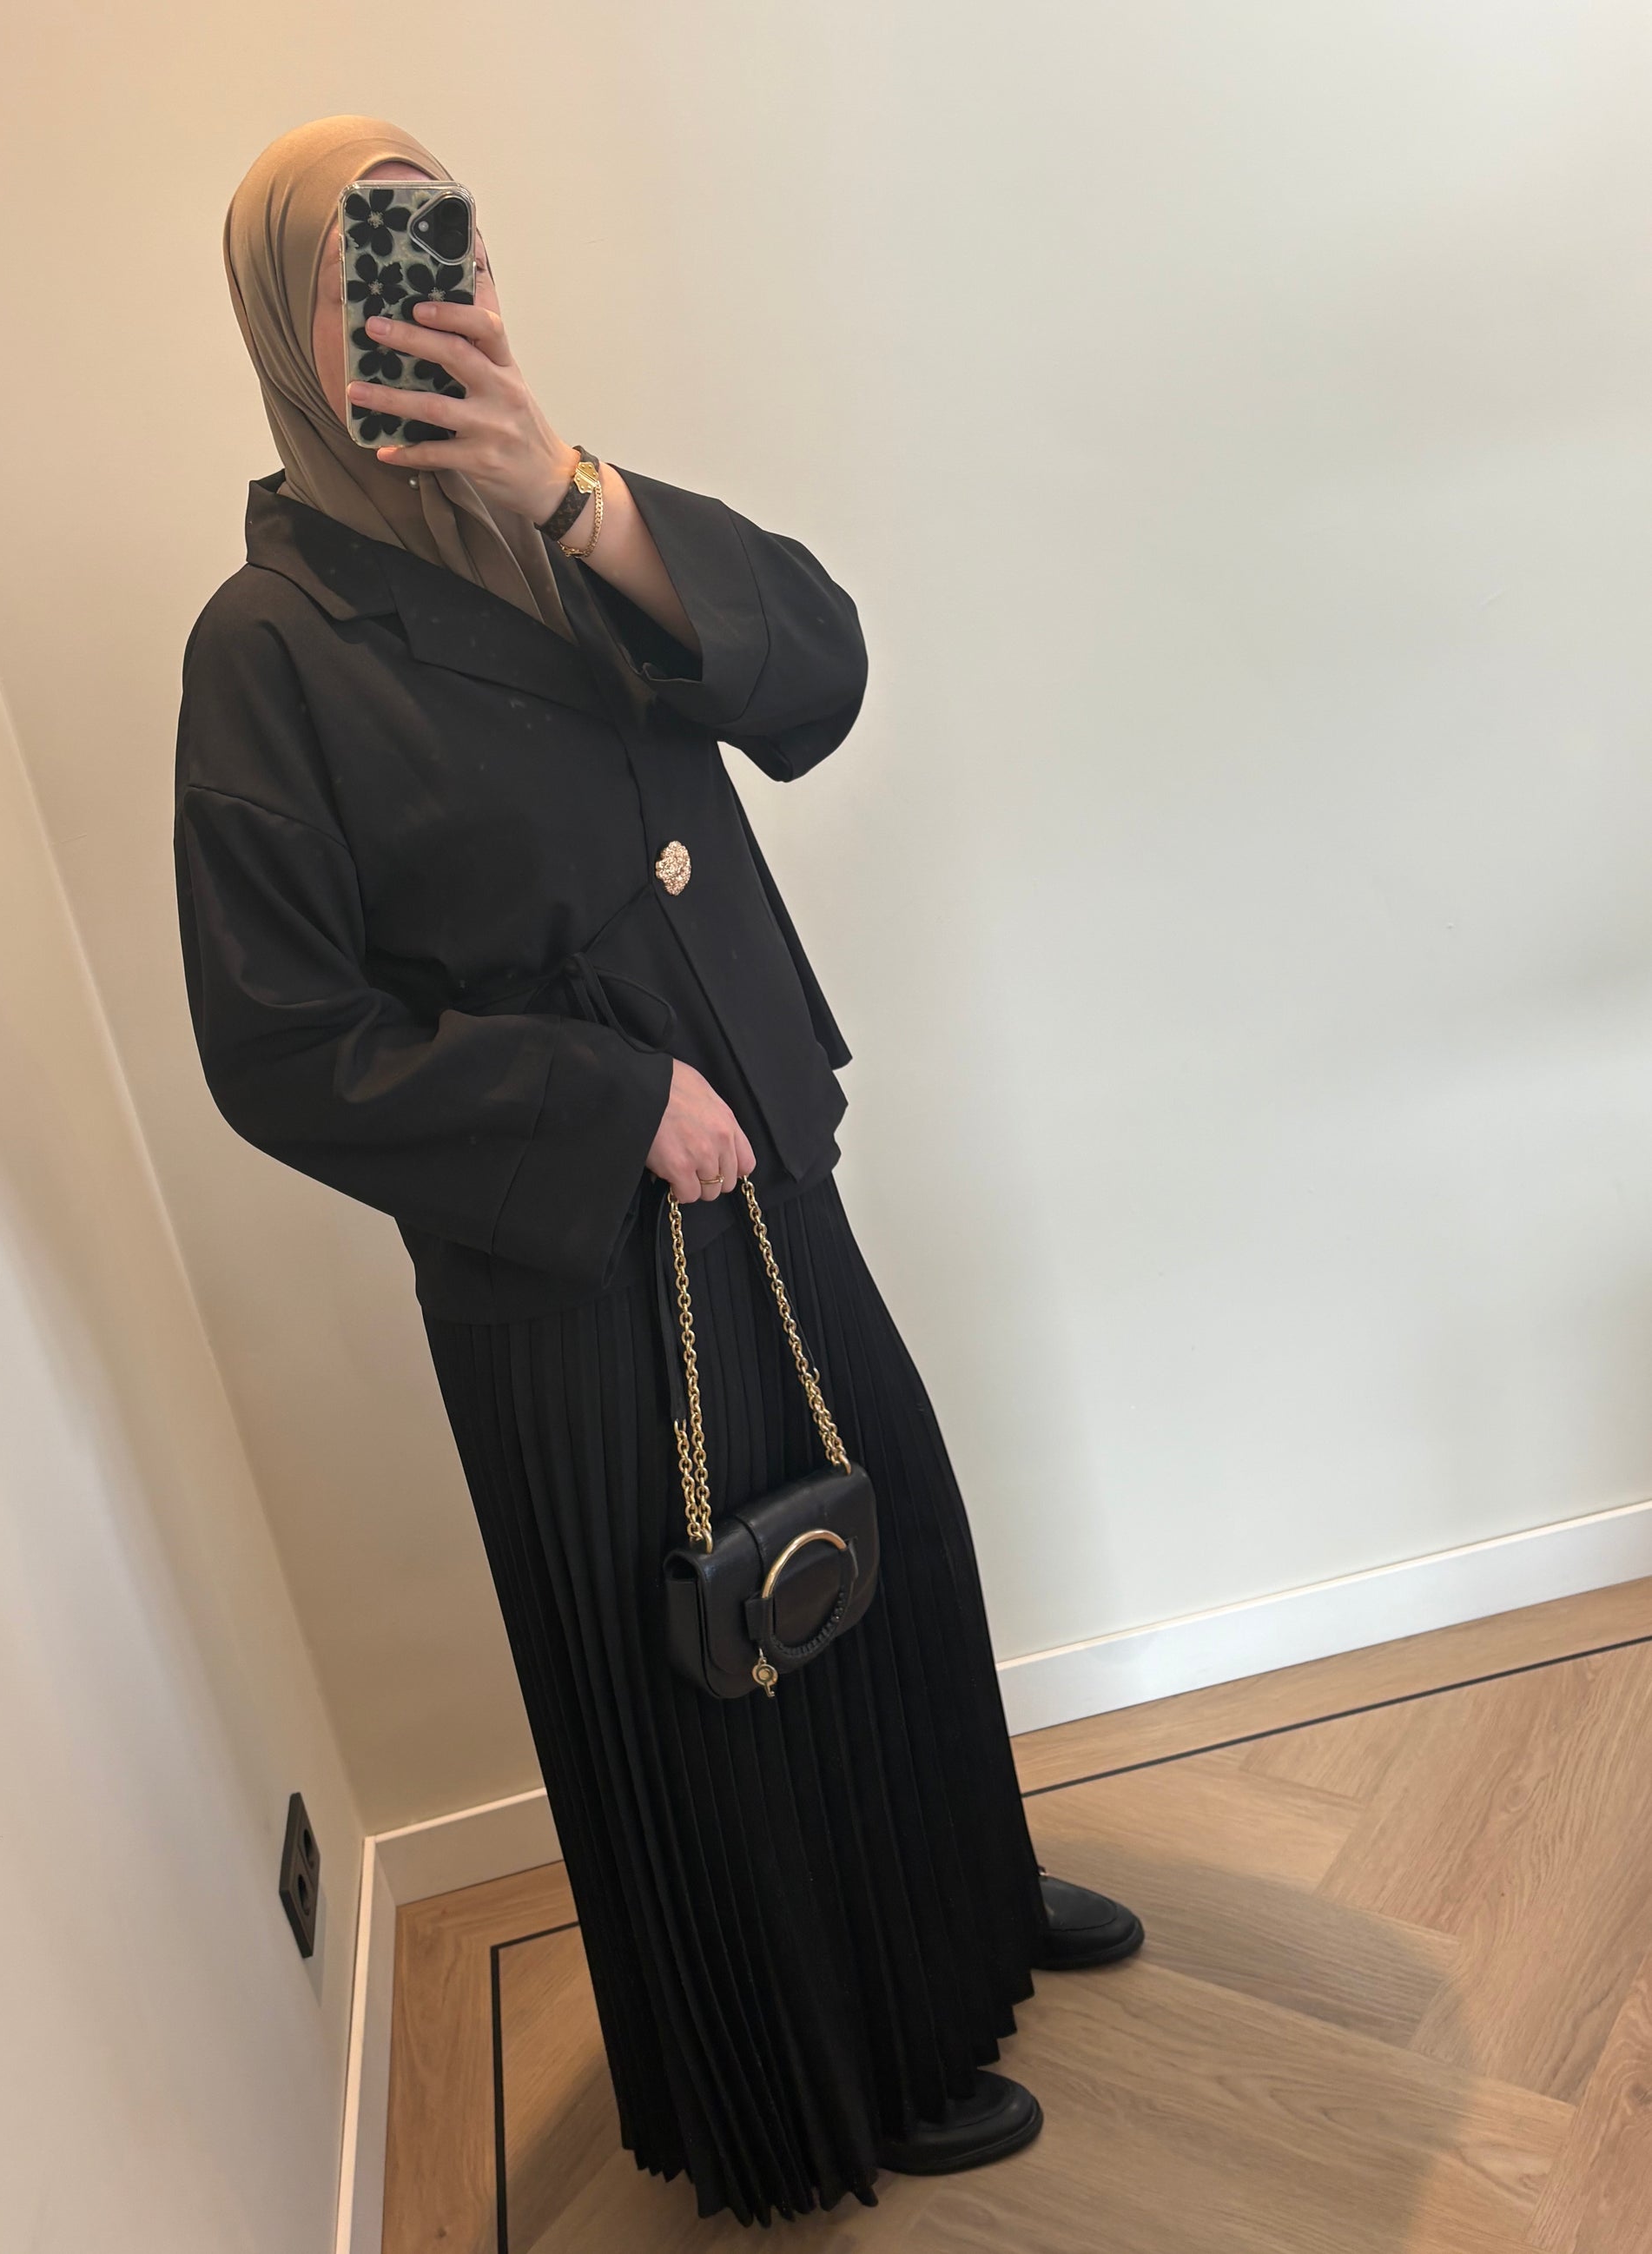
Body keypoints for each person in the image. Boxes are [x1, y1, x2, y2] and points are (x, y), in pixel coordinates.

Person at [175, 114, 1144, 2226]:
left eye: (444, 241)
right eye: (364, 268)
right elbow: (279, 1040)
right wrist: (606, 1101)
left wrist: (576, 491)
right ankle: (828, 2075)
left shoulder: (559, 525)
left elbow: (818, 675)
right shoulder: (270, 643)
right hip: (575, 1257)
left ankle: (962, 1914)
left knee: (887, 1536)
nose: (429, 293)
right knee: (722, 1654)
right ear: (282, 322)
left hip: (765, 1150)